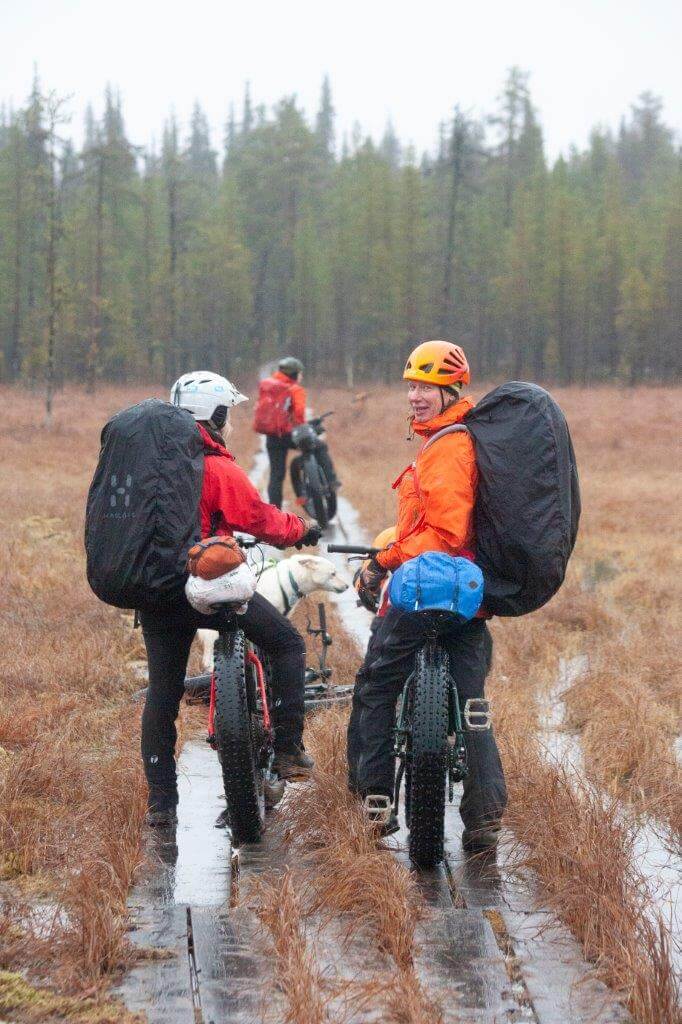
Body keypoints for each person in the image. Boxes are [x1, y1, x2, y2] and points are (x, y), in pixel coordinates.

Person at [141, 371, 321, 827]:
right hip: (208, 586)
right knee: (286, 645)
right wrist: (300, 529)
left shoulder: (151, 464)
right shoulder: (215, 465)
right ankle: (287, 750)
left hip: (160, 591)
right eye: (227, 413)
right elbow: (259, 519)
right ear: (215, 415)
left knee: (163, 691)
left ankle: (161, 804)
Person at [349, 341, 507, 854]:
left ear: (451, 391)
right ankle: (483, 815)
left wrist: (382, 560)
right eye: (411, 386)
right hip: (469, 597)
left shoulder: (449, 448)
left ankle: (374, 798)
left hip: (427, 590)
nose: (415, 396)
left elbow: (443, 531)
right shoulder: (451, 440)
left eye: (426, 388)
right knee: (473, 703)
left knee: (376, 683)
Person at [255, 356, 338, 508]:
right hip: (288, 435)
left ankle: (275, 512)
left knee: (276, 475)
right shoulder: (294, 389)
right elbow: (299, 414)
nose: (301, 376)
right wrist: (304, 427)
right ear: (293, 374)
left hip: (272, 436)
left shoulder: (267, 385)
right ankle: (331, 481)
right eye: (300, 373)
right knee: (319, 446)